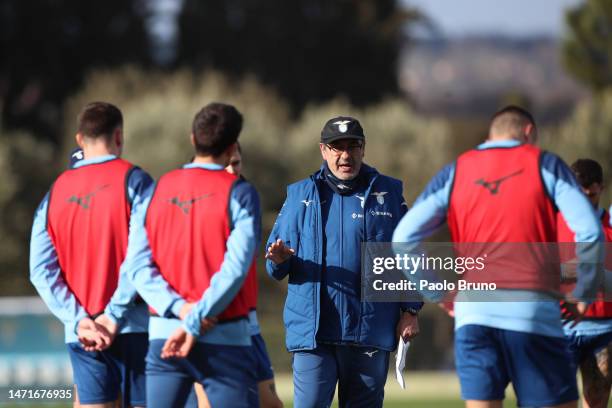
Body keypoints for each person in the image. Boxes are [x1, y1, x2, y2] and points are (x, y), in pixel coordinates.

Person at [393, 105, 604, 408]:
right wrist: (584, 291)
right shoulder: (545, 164)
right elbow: (590, 232)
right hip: (534, 316)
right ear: (529, 132)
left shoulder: (456, 171)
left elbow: (403, 239)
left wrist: (438, 292)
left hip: (474, 316)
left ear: (492, 135)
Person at [106, 102, 261, 408]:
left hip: (165, 336)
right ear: (232, 148)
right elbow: (236, 269)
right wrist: (196, 317)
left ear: (193, 138)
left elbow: (136, 265)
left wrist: (177, 308)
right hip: (224, 338)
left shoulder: (157, 189)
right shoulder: (240, 193)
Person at [265, 116, 422, 408]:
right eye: (337, 148)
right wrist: (278, 260)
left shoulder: (389, 194)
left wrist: (411, 309)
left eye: (353, 146)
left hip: (370, 330)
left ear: (363, 149)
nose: (345, 155)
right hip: (314, 336)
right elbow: (274, 265)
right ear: (323, 150)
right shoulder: (299, 194)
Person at [30, 102, 153, 408]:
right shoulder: (136, 182)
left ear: (79, 140)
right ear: (119, 136)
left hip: (82, 333)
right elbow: (141, 256)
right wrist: (112, 315)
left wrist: (79, 319)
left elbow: (40, 269)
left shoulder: (55, 191)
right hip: (132, 327)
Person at [558, 159, 612, 408]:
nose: (584, 203)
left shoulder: (609, 224)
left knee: (596, 402)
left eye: (590, 195)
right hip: (561, 328)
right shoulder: (551, 221)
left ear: (600, 188)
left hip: (603, 329)